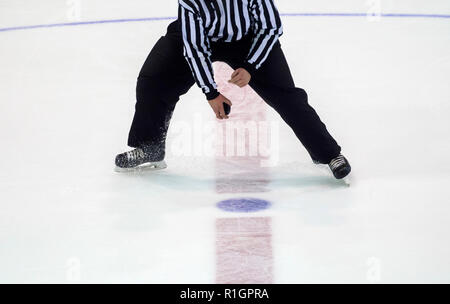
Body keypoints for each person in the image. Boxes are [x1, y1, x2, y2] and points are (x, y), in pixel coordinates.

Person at [115, 0, 351, 179]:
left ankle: (329, 153)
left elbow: (270, 27)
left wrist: (250, 66)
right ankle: (149, 147)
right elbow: (195, 48)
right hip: (201, 34)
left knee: (286, 96)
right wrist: (211, 92)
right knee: (154, 80)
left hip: (249, 38)